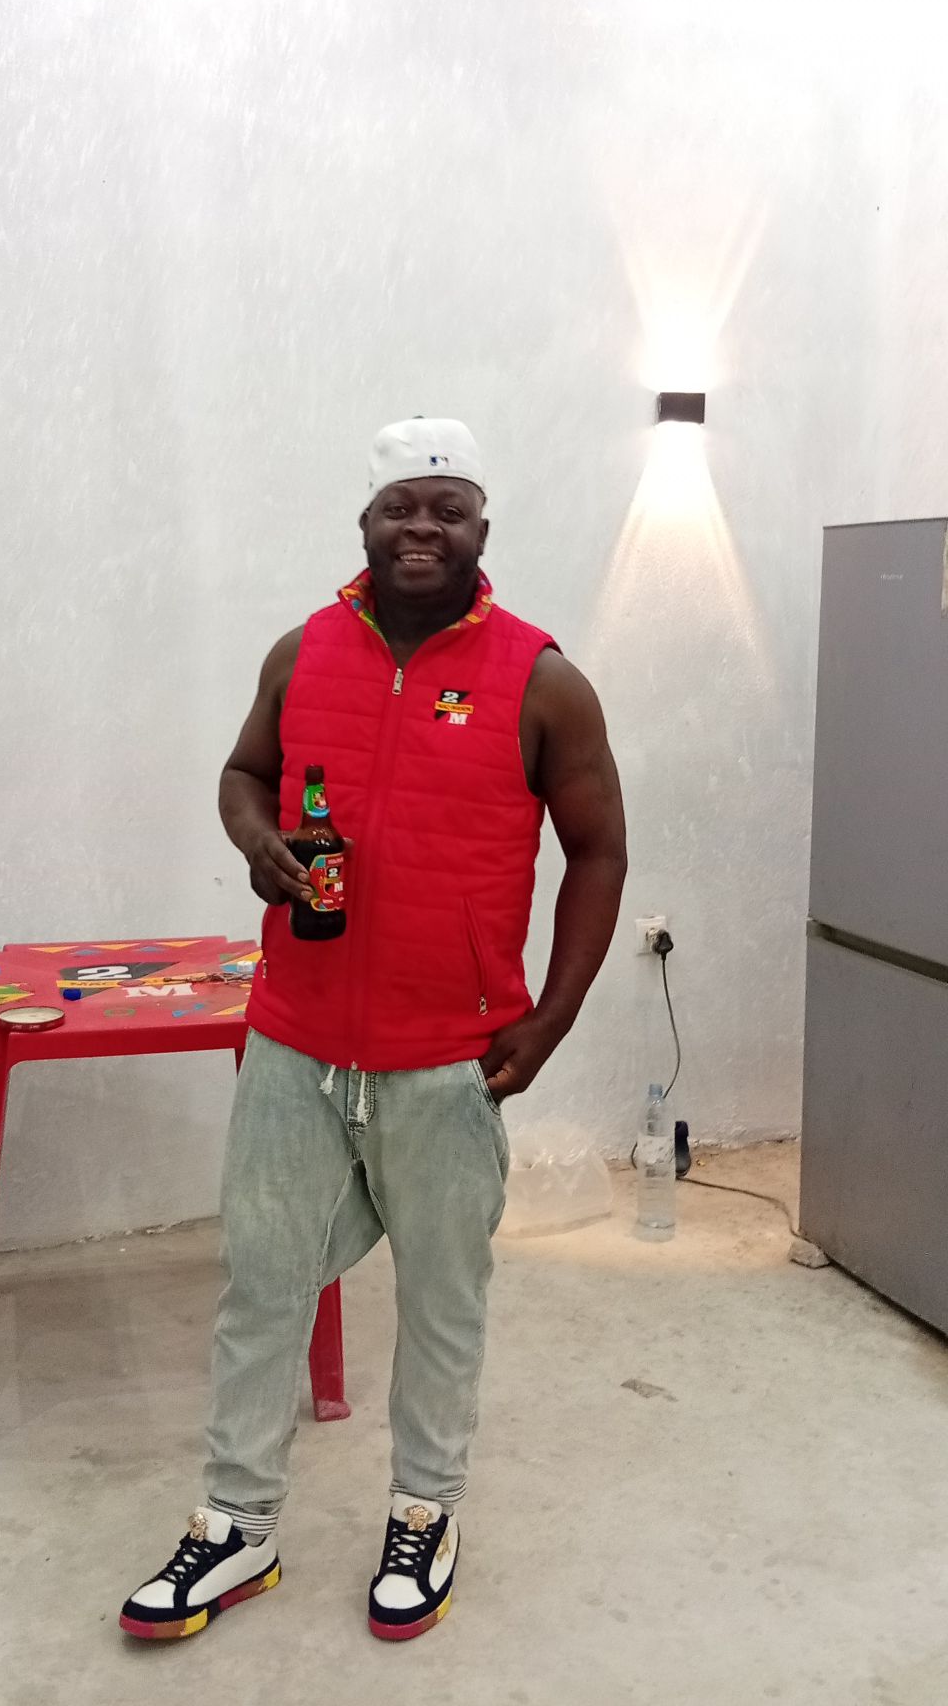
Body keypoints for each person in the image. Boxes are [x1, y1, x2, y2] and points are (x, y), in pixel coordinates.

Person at [120, 417, 627, 1645]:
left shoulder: (541, 678)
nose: (422, 527)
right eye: (401, 504)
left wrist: (551, 1019)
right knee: (260, 1287)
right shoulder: (302, 652)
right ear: (364, 520)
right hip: (294, 1040)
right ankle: (237, 1527)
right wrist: (258, 843)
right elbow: (242, 774)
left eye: (447, 508)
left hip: (450, 1060)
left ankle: (424, 1510)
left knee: (443, 1302)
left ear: (482, 528)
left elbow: (599, 850)